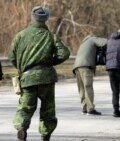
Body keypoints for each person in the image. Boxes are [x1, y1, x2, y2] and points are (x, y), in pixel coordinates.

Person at [8, 6, 70, 141]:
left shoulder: (20, 35)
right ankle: (45, 135)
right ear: (46, 19)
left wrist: (23, 68)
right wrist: (52, 62)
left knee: (25, 108)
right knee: (48, 110)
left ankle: (22, 128)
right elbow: (64, 53)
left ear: (32, 17)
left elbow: (11, 57)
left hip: (27, 78)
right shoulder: (51, 36)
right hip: (46, 78)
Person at [73, 34, 107, 115]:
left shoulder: (84, 43)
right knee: (88, 87)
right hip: (86, 66)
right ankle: (90, 109)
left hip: (77, 67)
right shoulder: (93, 39)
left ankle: (84, 108)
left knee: (81, 89)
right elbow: (105, 42)